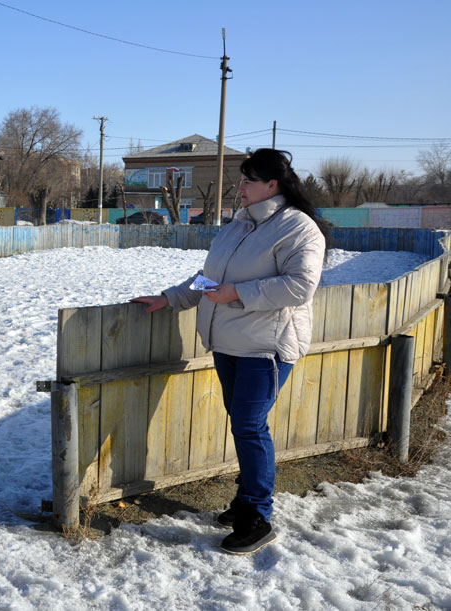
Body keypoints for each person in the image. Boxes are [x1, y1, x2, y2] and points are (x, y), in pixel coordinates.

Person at [131, 149, 327, 554]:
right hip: (228, 344)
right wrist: (169, 299)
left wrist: (237, 292)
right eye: (241, 180)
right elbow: (209, 280)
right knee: (242, 423)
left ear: (272, 185)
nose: (240, 188)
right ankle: (245, 501)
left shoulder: (298, 229)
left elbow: (299, 287)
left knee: (250, 425)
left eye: (248, 181)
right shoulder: (238, 226)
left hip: (266, 346)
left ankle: (257, 515)